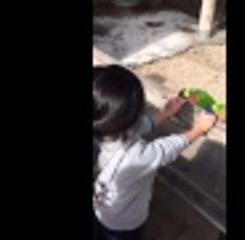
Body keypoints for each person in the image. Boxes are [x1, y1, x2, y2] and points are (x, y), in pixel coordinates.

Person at [93, 65, 217, 240]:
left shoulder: (101, 132)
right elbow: (168, 148)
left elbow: (138, 126)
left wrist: (166, 113)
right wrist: (199, 128)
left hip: (101, 209)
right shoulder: (133, 159)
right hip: (124, 224)